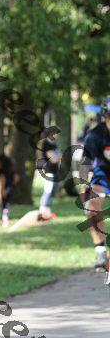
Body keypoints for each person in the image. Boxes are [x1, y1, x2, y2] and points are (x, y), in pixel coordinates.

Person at [79, 96, 110, 269]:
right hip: (104, 175)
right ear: (104, 117)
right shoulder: (96, 134)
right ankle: (100, 252)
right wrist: (84, 183)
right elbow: (86, 161)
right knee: (91, 202)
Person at [38, 130, 61, 219]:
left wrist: (57, 156)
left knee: (51, 192)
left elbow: (58, 157)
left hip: (54, 170)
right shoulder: (46, 144)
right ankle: (42, 210)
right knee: (47, 190)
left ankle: (48, 211)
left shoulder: (54, 144)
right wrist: (57, 156)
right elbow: (54, 159)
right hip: (48, 171)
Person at [0, 153, 19, 227]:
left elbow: (2, 180)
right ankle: (5, 219)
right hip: (11, 188)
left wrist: (2, 190)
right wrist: (12, 184)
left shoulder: (1, 171)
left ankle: (5, 220)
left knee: (5, 205)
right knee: (7, 205)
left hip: (5, 189)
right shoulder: (11, 169)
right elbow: (16, 178)